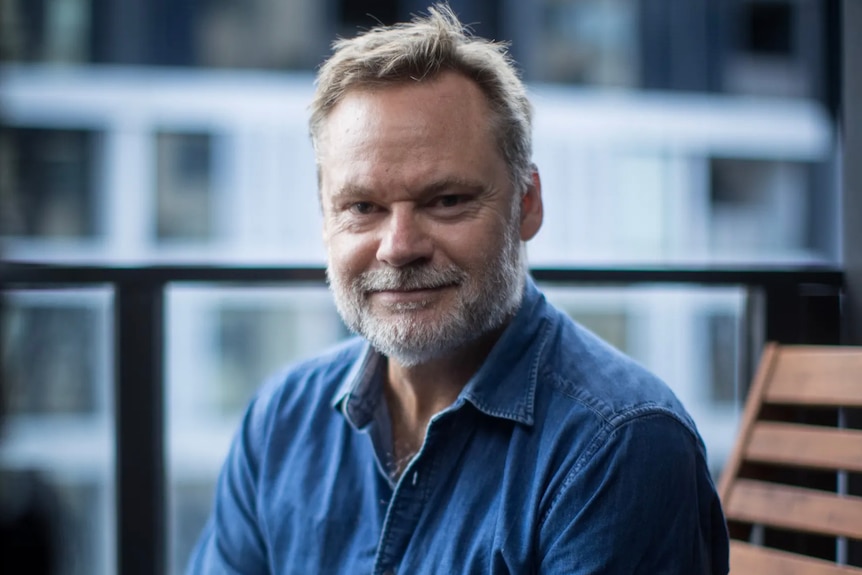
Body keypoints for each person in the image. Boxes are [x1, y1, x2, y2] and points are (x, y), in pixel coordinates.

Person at [187, 4, 730, 574]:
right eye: (363, 207)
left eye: (446, 201)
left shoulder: (619, 445)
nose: (399, 246)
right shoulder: (280, 421)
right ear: (325, 221)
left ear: (526, 204)